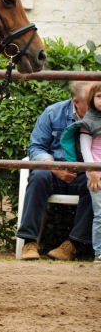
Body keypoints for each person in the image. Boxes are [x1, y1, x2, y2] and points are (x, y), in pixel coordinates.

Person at [17, 80, 94, 261]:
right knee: (38, 175)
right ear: (76, 102)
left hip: (84, 175)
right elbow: (36, 147)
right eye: (92, 100)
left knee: (96, 183)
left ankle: (72, 245)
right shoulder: (52, 113)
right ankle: (29, 242)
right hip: (53, 172)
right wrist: (55, 168)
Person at [74, 82, 101, 263]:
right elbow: (85, 149)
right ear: (92, 99)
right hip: (96, 176)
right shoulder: (88, 122)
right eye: (99, 96)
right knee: (100, 213)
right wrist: (92, 171)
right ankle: (99, 251)